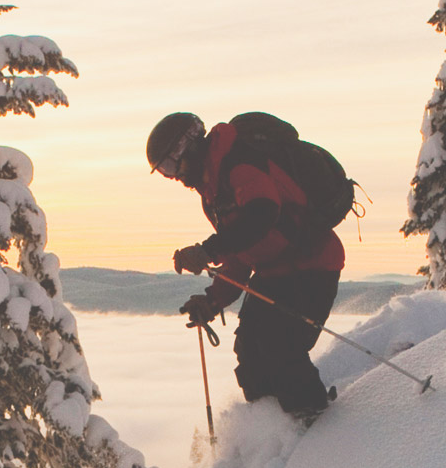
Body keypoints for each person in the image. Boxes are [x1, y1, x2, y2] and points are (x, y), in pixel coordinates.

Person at [146, 111, 344, 420]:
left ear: (189, 147)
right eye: (164, 172)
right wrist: (213, 300)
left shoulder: (238, 163)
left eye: (171, 165)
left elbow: (262, 214)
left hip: (312, 266)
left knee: (280, 345)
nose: (174, 177)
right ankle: (272, 429)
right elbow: (241, 251)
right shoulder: (212, 189)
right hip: (274, 272)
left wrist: (206, 251)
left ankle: (315, 423)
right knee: (250, 353)